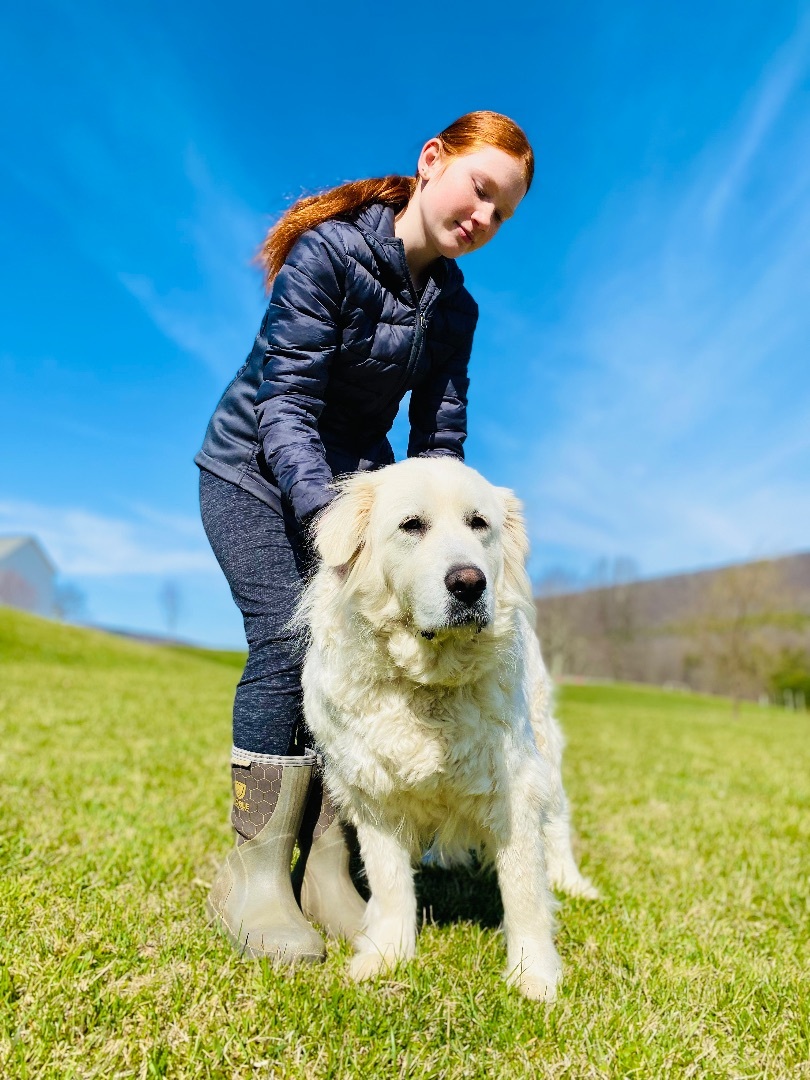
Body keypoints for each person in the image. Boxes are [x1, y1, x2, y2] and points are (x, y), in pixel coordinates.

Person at [196, 110, 533, 964]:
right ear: (433, 162)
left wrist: (441, 539)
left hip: (363, 495)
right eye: (479, 188)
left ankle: (330, 872)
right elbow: (286, 407)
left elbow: (439, 448)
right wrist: (336, 532)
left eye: (503, 211)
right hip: (253, 472)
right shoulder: (330, 254)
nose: (483, 217)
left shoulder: (456, 309)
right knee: (288, 641)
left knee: (367, 660)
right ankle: (256, 875)